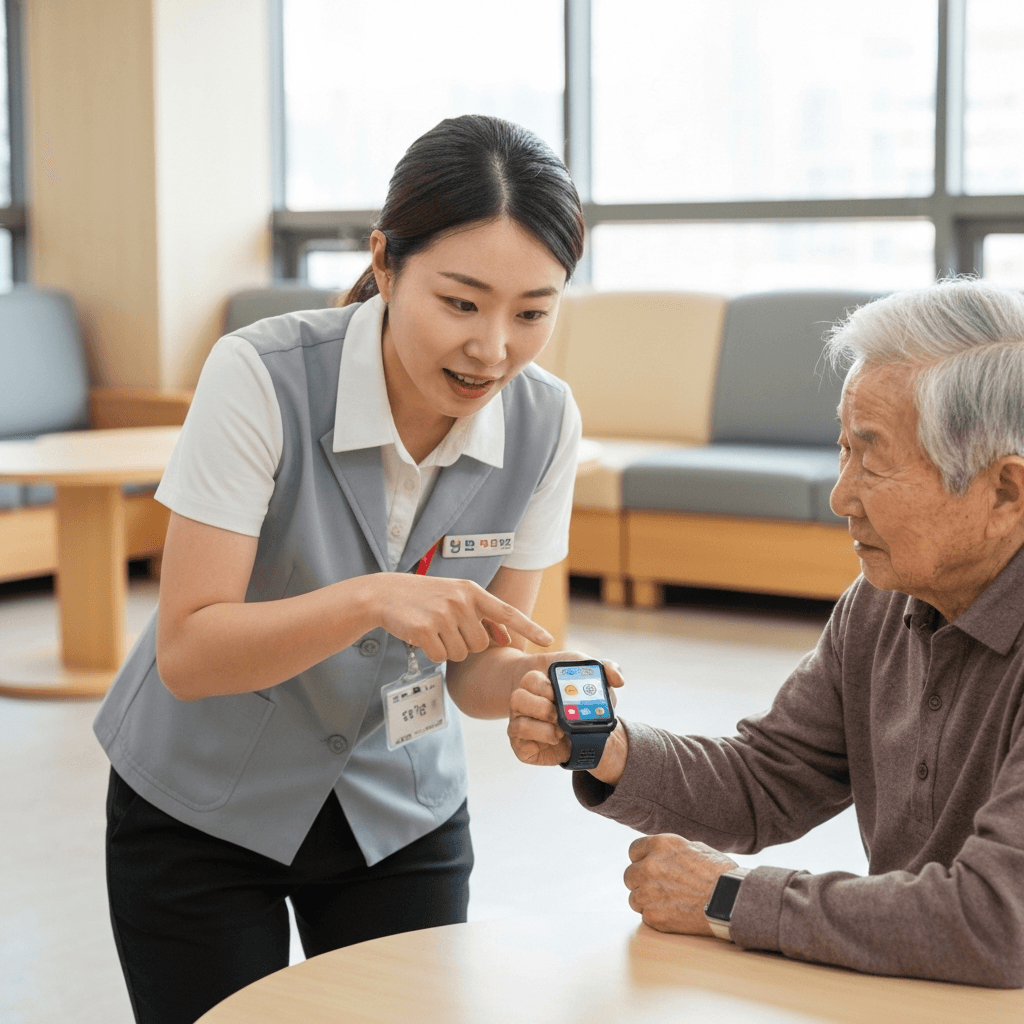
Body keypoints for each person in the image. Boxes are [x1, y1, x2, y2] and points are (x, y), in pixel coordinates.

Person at [94, 114, 612, 1024]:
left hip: (397, 812)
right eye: (461, 303)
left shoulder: (546, 420)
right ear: (385, 261)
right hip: (201, 809)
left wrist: (530, 679)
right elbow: (190, 652)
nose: (493, 348)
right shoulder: (261, 376)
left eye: (533, 313)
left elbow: (474, 671)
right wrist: (372, 600)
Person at [509, 278, 1024, 987]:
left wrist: (728, 898)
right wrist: (612, 750)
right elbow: (769, 778)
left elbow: (996, 921)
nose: (841, 496)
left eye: (873, 458)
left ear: (1005, 492)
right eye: (843, 449)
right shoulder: (880, 604)